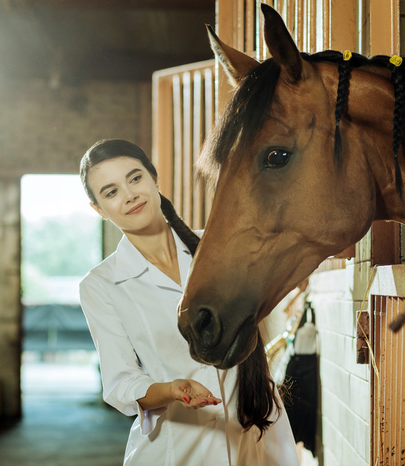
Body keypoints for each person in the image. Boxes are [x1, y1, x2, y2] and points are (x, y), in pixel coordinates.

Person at [78, 139, 299, 466]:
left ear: (155, 178)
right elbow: (121, 382)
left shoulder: (218, 246)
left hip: (257, 435)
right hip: (177, 450)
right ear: (99, 209)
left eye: (135, 178)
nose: (129, 195)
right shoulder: (101, 284)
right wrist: (171, 389)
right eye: (111, 192)